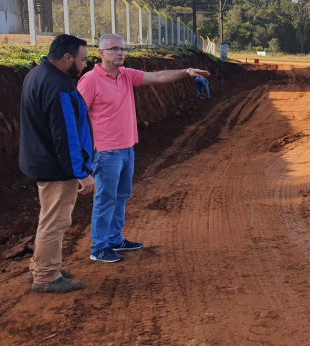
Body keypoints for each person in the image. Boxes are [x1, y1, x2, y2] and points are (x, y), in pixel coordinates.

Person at [78, 34, 210, 263]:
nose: (120, 53)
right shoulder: (90, 80)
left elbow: (159, 76)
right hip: (106, 152)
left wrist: (186, 71)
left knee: (121, 196)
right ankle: (98, 246)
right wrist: (83, 155)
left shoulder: (127, 75)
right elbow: (77, 115)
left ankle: (114, 239)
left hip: (127, 148)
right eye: (114, 49)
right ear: (100, 53)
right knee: (105, 198)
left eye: (122, 49)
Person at [19, 35, 95, 293]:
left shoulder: (37, 74)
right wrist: (81, 173)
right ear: (67, 58)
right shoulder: (59, 87)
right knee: (56, 222)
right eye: (82, 60)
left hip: (42, 161)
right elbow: (67, 136)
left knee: (49, 218)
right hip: (57, 167)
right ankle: (46, 276)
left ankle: (41, 265)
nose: (85, 65)